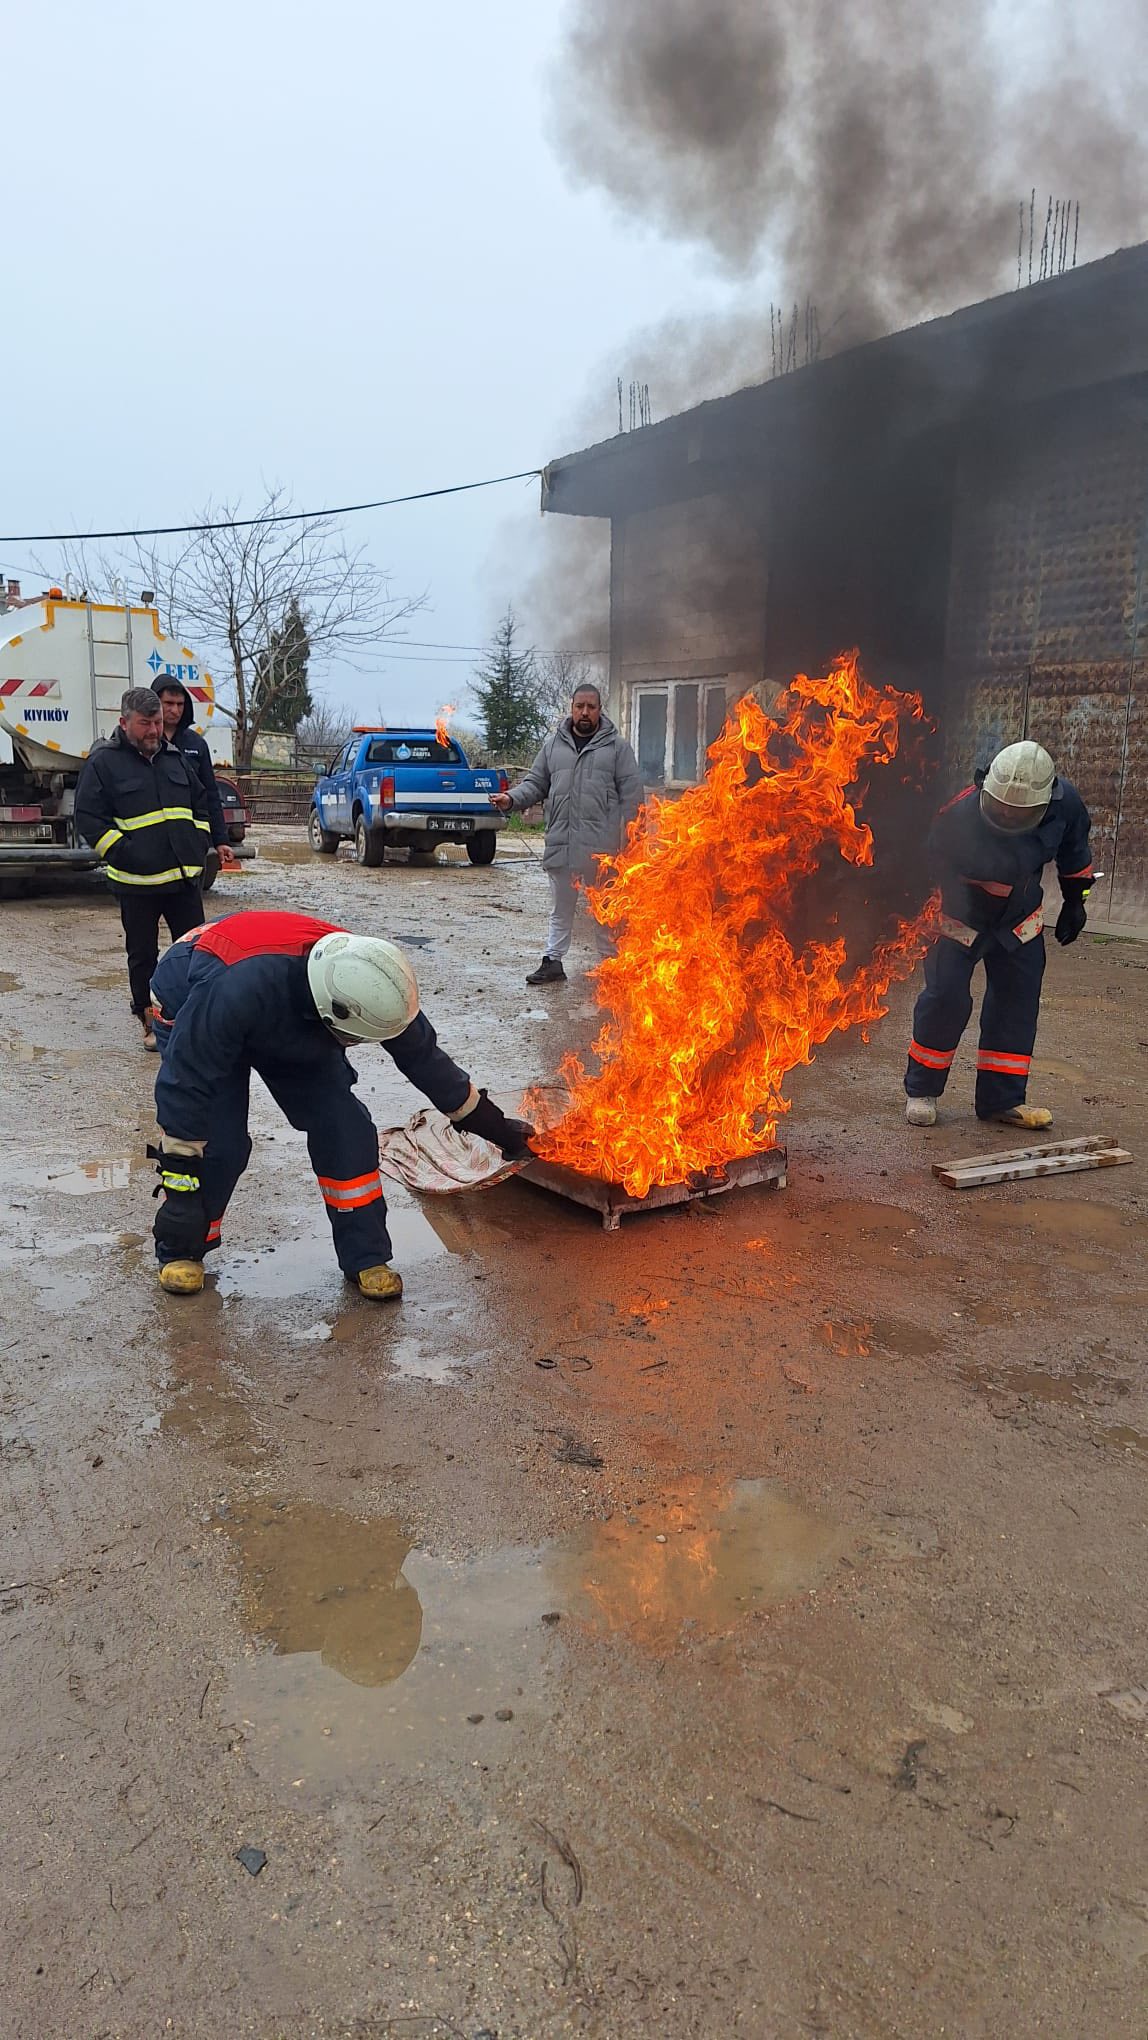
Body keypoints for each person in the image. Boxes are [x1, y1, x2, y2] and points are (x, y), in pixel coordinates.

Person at [148, 909, 534, 1299]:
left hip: (289, 1009)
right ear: (329, 1015)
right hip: (192, 996)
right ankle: (184, 1247)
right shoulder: (231, 991)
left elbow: (424, 1060)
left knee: (345, 1128)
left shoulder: (372, 980)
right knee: (221, 1144)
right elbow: (187, 1082)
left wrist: (493, 1126)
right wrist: (180, 1190)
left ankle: (366, 1257)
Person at [904, 741, 1093, 1130]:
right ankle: (923, 1090)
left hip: (1019, 920)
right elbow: (922, 870)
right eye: (1001, 806)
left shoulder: (1065, 805)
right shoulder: (956, 813)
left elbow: (1075, 852)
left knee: (1016, 1005)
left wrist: (1077, 900)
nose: (1007, 815)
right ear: (985, 789)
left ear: (1044, 802)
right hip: (959, 916)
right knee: (945, 999)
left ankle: (1001, 1102)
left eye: (1018, 812)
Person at [75, 686, 212, 1051]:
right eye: (145, 723)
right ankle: (149, 1021)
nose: (154, 730)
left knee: (197, 951)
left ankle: (191, 1017)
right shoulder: (103, 762)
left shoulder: (174, 757)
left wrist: (199, 843)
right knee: (143, 956)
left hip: (183, 879)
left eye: (156, 722)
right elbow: (88, 817)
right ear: (124, 722)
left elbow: (200, 804)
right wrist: (122, 852)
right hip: (136, 883)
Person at [490, 683, 643, 985]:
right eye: (580, 706)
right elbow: (535, 784)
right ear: (571, 708)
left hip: (603, 851)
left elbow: (633, 799)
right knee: (560, 910)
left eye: (591, 706)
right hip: (562, 845)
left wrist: (634, 840)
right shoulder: (553, 747)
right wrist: (511, 799)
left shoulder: (617, 748)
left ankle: (613, 968)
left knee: (605, 914)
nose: (585, 712)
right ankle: (553, 962)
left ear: (600, 710)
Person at [154, 677, 241, 878]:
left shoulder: (196, 744)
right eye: (168, 704)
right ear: (155, 703)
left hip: (189, 841)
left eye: (180, 704)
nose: (175, 710)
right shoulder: (144, 741)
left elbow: (211, 795)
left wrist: (220, 840)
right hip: (152, 840)